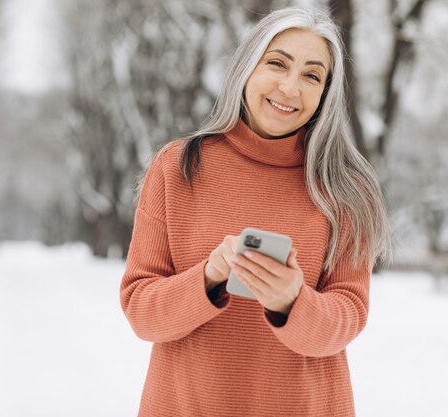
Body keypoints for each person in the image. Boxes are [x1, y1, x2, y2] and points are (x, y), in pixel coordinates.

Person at [120, 6, 392, 417]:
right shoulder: (176, 167)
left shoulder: (346, 189)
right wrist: (209, 277)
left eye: (312, 75)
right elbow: (141, 311)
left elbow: (348, 317)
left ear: (325, 94)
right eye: (277, 64)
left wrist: (292, 301)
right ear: (247, 67)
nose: (289, 87)